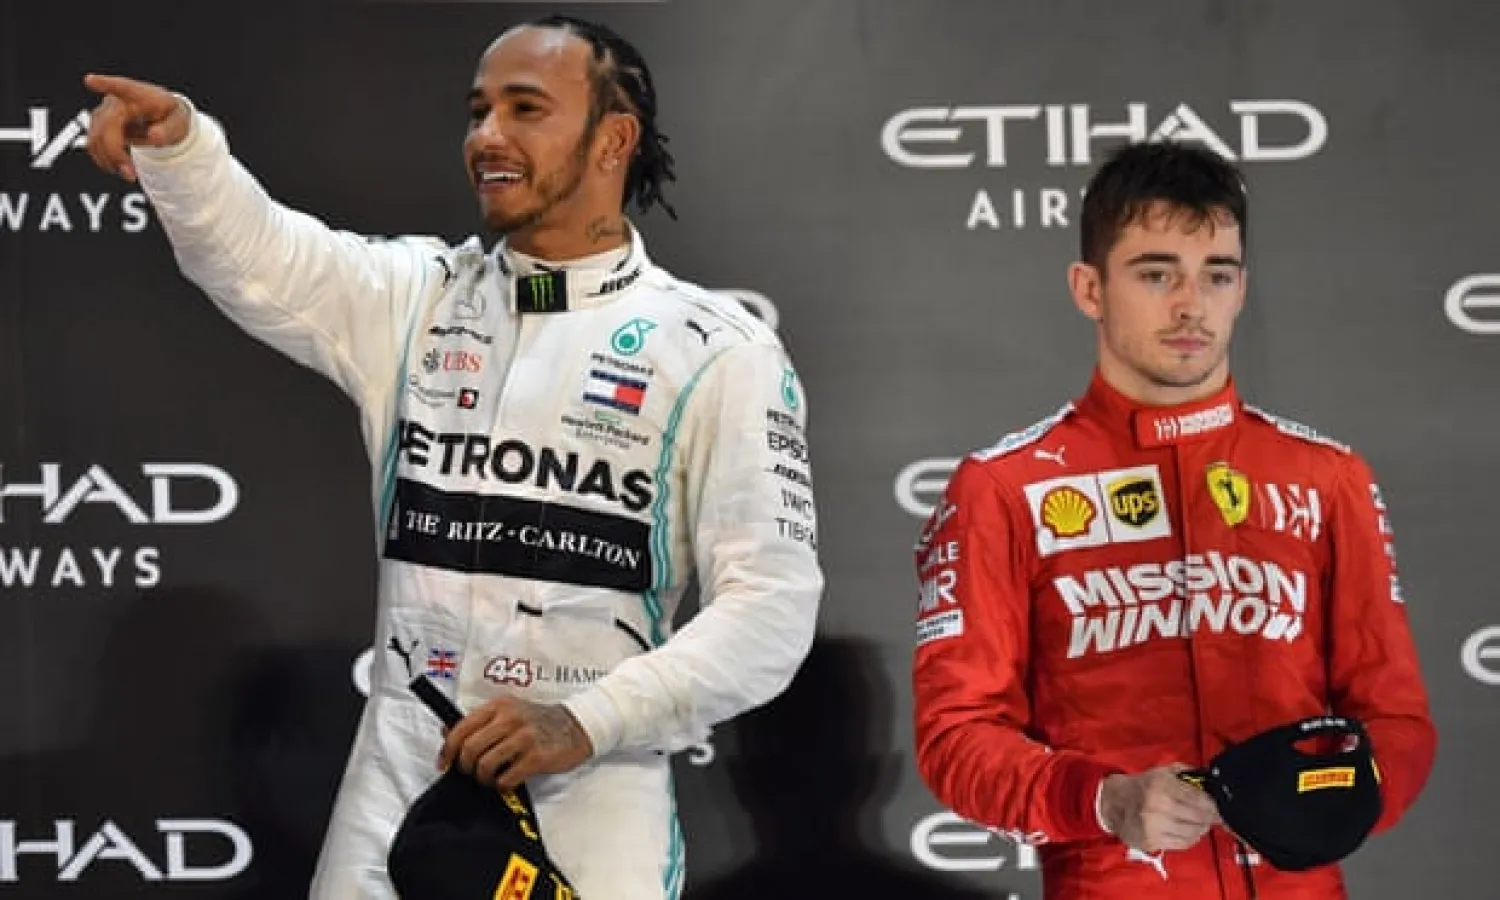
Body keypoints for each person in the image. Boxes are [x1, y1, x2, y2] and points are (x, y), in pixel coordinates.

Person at [83, 14, 823, 900]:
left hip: (589, 801)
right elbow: (262, 259)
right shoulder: (416, 299)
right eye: (477, 111)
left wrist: (584, 720)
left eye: (525, 109)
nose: (486, 137)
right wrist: (184, 151)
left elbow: (770, 609)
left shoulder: (718, 349)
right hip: (397, 778)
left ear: (613, 139)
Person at [910, 140, 1436, 899]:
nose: (1191, 304)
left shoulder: (1327, 478)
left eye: (1215, 275)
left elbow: (1398, 721)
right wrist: (1103, 799)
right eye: (1156, 274)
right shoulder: (1003, 488)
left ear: (1242, 288)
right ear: (1089, 288)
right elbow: (957, 740)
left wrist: (1338, 794)